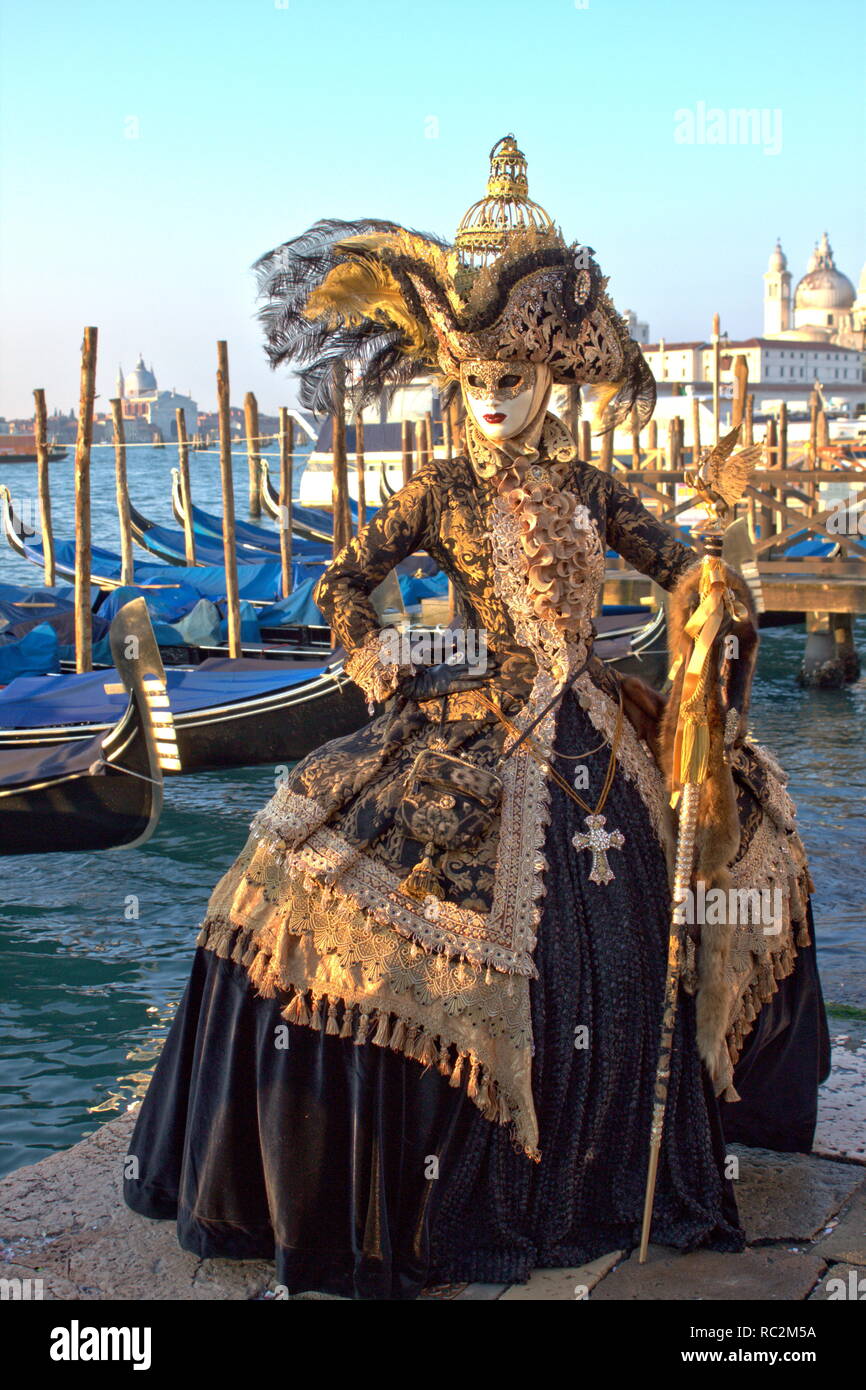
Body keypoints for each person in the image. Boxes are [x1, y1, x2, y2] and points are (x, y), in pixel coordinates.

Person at [124, 135, 828, 1299]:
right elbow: (341, 581)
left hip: (595, 737)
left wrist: (711, 589)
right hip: (473, 725)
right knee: (325, 888)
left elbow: (674, 567)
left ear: (549, 373)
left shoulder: (590, 485)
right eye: (475, 380)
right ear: (456, 378)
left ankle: (618, 1177)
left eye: (514, 376)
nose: (494, 399)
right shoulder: (439, 490)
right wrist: (377, 653)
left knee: (678, 891)